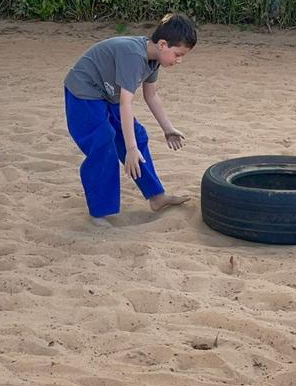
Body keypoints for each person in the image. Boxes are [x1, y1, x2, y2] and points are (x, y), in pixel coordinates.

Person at [63, 13, 196, 227]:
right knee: (103, 142)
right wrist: (130, 148)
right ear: (163, 44)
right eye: (178, 54)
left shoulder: (154, 61)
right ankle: (100, 212)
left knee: (138, 135)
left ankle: (156, 196)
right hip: (84, 91)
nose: (179, 60)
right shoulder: (134, 56)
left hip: (108, 94)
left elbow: (151, 96)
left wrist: (168, 128)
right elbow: (126, 103)